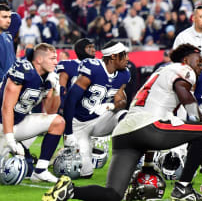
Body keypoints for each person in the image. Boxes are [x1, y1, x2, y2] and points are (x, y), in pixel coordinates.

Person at [43, 44, 202, 201]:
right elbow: (182, 92)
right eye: (199, 61)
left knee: (113, 194)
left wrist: (148, 165)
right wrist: (198, 121)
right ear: (185, 60)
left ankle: (70, 190)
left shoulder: (161, 72)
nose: (201, 65)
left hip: (124, 133)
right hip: (148, 127)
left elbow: (151, 113)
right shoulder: (184, 69)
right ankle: (183, 188)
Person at [62, 41, 130, 178]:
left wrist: (113, 105)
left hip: (101, 120)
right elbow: (70, 100)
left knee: (126, 116)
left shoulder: (124, 74)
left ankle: (131, 159)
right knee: (84, 173)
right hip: (79, 124)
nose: (127, 58)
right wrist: (68, 132)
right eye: (124, 55)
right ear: (113, 57)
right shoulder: (93, 69)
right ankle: (64, 152)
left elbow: (121, 101)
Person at [0, 43, 63, 183]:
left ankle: (41, 170)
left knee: (58, 122)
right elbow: (6, 107)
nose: (55, 62)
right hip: (2, 124)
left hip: (19, 122)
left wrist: (56, 89)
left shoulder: (48, 76)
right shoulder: (23, 69)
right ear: (39, 59)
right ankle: (15, 146)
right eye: (52, 58)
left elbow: (51, 112)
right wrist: (10, 139)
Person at [56, 38, 96, 107]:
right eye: (89, 47)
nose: (93, 50)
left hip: (92, 107)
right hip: (72, 107)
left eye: (93, 47)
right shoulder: (68, 65)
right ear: (81, 49)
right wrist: (62, 108)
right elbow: (61, 90)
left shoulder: (99, 65)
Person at [0, 3, 16, 79]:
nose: (9, 21)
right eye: (4, 17)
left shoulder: (8, 37)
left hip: (9, 84)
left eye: (9, 17)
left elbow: (13, 61)